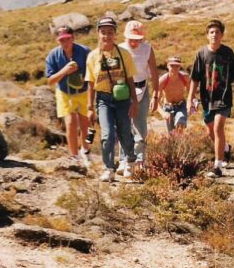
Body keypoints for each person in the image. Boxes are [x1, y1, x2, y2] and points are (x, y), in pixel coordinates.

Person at [187, 19, 234, 178]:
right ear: (207, 35)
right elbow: (195, 78)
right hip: (207, 98)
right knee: (210, 131)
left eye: (217, 32)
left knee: (218, 128)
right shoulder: (201, 53)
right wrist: (190, 97)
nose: (214, 35)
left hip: (224, 97)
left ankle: (217, 166)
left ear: (222, 35)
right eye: (211, 32)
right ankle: (225, 149)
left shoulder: (228, 53)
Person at [85, 16, 138, 182]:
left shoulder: (124, 54)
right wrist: (89, 108)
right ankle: (109, 168)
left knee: (125, 132)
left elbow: (130, 79)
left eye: (110, 32)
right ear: (98, 34)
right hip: (103, 100)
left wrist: (134, 102)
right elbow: (90, 83)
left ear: (115, 34)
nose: (106, 36)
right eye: (103, 32)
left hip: (122, 99)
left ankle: (130, 160)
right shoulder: (92, 57)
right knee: (107, 134)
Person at [45, 25, 93, 166]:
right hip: (64, 92)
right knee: (71, 123)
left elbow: (94, 71)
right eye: (61, 40)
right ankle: (74, 157)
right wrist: (65, 71)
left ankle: (86, 151)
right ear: (57, 40)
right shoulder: (53, 56)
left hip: (84, 92)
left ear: (73, 38)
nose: (65, 42)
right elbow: (50, 81)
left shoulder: (85, 52)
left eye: (67, 39)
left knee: (86, 125)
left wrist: (86, 80)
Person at [116, 20, 159, 172]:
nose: (134, 43)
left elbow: (154, 72)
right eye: (131, 39)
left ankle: (139, 159)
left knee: (140, 126)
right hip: (124, 90)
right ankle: (124, 159)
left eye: (137, 39)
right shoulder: (120, 49)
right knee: (124, 125)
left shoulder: (147, 49)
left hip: (142, 87)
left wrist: (156, 95)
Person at [155, 56, 190, 134]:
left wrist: (191, 104)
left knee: (180, 123)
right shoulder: (162, 80)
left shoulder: (185, 78)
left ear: (180, 66)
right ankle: (174, 141)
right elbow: (156, 101)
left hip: (181, 106)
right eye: (172, 65)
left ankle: (181, 141)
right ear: (167, 66)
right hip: (168, 108)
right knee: (172, 134)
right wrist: (163, 113)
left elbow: (191, 93)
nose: (174, 68)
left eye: (177, 66)